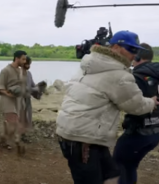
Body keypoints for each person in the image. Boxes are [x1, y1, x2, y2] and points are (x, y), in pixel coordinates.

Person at [55, 31, 159, 184]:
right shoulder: (119, 75)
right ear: (116, 47)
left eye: (137, 51)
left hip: (76, 130)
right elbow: (136, 106)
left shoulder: (90, 62)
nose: (134, 55)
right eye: (132, 49)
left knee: (112, 175)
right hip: (83, 138)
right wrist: (152, 101)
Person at [113, 43, 159, 184]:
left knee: (118, 163)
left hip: (137, 132)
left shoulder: (137, 76)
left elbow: (130, 104)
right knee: (130, 165)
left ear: (138, 57)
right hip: (155, 133)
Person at [0, 50, 27, 155]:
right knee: (12, 122)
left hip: (17, 100)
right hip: (7, 99)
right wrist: (8, 93)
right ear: (17, 58)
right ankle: (11, 142)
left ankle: (3, 140)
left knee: (12, 123)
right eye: (23, 59)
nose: (24, 61)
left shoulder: (21, 71)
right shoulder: (5, 71)